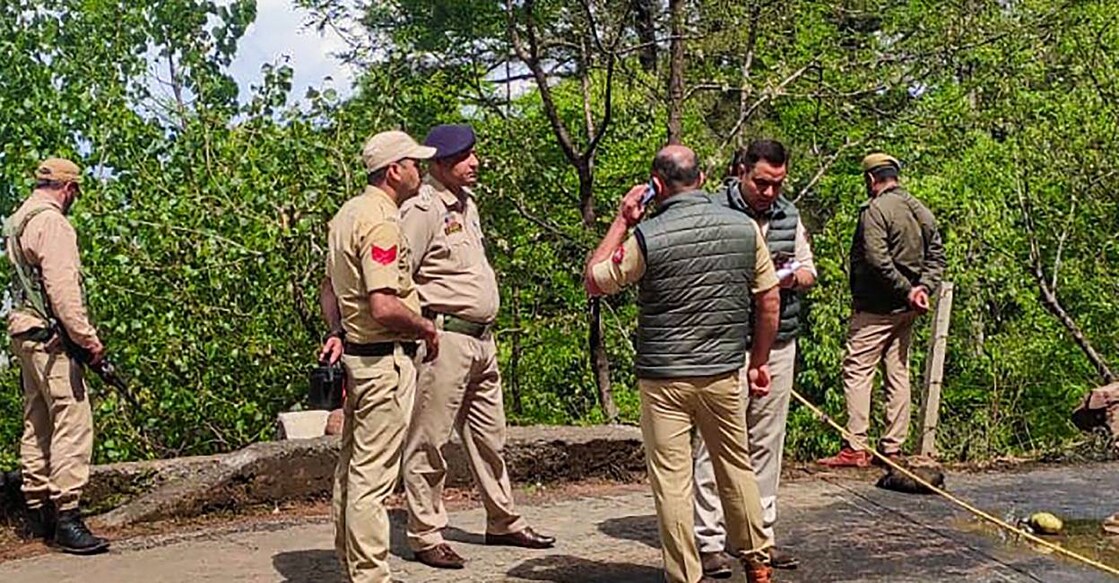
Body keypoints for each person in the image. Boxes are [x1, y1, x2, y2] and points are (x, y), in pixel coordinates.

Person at [585, 144, 780, 583]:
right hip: (723, 372)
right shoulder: (745, 228)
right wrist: (760, 360)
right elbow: (769, 299)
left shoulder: (647, 236)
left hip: (664, 379)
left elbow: (595, 280)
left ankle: (684, 576)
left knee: (673, 482)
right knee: (736, 466)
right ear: (703, 179)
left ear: (656, 185)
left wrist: (623, 220)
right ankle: (758, 562)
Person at [399, 124, 554, 570]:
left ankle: (502, 519)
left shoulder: (467, 204)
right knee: (430, 439)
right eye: (467, 157)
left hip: (483, 340)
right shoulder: (423, 208)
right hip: (445, 338)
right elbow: (400, 276)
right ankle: (426, 533)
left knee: (491, 437)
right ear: (442, 164)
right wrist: (423, 329)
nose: (476, 163)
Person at [317, 130, 438, 583]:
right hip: (383, 362)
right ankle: (371, 575)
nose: (420, 172)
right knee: (373, 478)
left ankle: (351, 564)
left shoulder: (346, 215)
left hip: (357, 356)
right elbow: (384, 304)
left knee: (352, 470)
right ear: (394, 170)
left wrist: (337, 331)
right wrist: (425, 327)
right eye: (414, 164)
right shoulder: (382, 221)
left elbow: (329, 287)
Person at [692, 140, 816, 577]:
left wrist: (789, 277)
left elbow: (808, 269)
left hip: (779, 340)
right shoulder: (711, 210)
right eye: (762, 182)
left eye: (777, 184)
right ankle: (706, 539)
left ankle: (757, 538)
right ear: (741, 172)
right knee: (713, 444)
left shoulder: (789, 215)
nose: (769, 192)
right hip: (724, 344)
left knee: (765, 442)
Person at [4, 157, 109, 555]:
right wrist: (87, 339)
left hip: (24, 330)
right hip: (52, 339)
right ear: (68, 189)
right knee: (72, 417)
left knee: (38, 418)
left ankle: (37, 508)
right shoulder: (53, 223)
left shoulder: (18, 221)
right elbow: (64, 290)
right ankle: (67, 515)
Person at [818, 153, 945, 468]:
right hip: (908, 308)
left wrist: (907, 290)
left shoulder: (876, 210)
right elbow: (937, 257)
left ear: (871, 179)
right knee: (897, 371)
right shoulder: (921, 210)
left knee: (858, 370)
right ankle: (892, 447)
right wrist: (921, 290)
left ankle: (855, 446)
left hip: (877, 307)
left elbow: (877, 259)